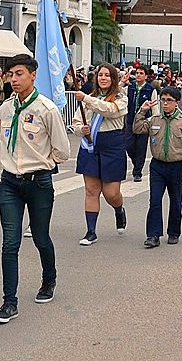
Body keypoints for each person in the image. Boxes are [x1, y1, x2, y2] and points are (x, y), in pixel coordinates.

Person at [0, 54, 72, 325]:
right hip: (9, 183)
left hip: (38, 182)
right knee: (10, 243)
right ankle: (9, 302)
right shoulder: (6, 107)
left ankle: (49, 279)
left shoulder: (46, 109)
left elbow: (63, 150)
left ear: (32, 75)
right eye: (10, 75)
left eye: (19, 74)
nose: (14, 79)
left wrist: (42, 163)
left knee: (40, 237)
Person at [71, 63, 129, 245]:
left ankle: (119, 209)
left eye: (107, 75)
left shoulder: (120, 98)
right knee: (91, 190)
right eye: (100, 75)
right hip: (90, 146)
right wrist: (81, 128)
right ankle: (91, 232)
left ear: (114, 79)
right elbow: (75, 122)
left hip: (112, 146)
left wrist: (87, 99)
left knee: (111, 193)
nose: (103, 78)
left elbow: (109, 110)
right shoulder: (90, 98)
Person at [133, 86, 182, 248]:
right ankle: (153, 235)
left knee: (176, 201)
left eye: (169, 100)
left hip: (176, 167)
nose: (165, 104)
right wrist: (141, 111)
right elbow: (137, 129)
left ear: (177, 103)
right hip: (158, 166)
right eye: (163, 100)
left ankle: (174, 232)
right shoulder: (155, 119)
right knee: (154, 200)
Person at [125, 67, 157, 180]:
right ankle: (136, 163)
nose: (138, 75)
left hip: (144, 122)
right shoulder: (130, 88)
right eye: (137, 73)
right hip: (130, 121)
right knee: (128, 145)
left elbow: (155, 107)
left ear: (146, 76)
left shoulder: (150, 89)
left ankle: (137, 172)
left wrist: (154, 121)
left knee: (141, 147)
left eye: (141, 73)